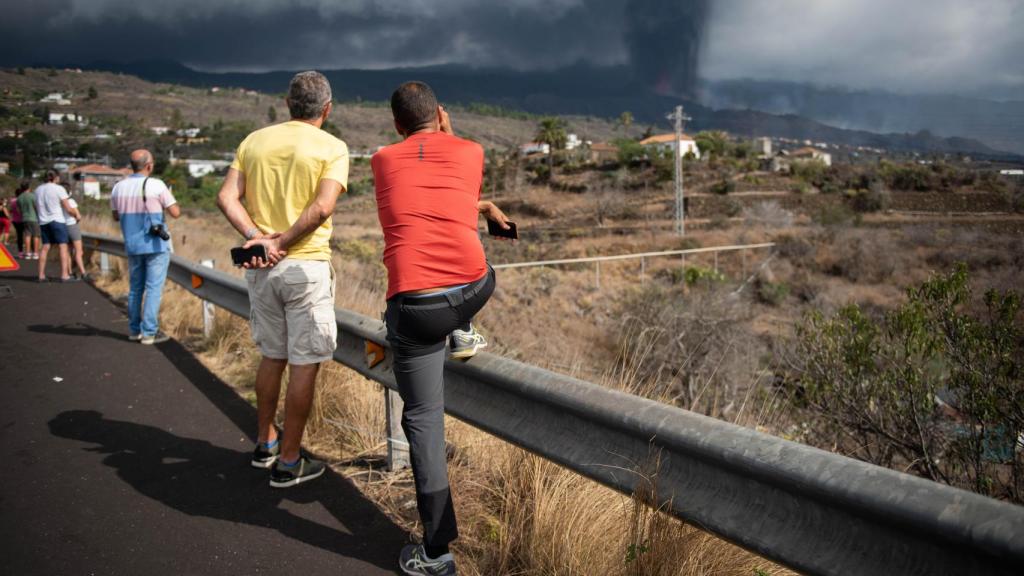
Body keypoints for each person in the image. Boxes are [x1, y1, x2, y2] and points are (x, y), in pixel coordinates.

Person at [372, 81, 511, 575]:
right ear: (441, 115)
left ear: (397, 125)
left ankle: (437, 553)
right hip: (473, 290)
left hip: (416, 308)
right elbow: (454, 189)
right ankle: (463, 332)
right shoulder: (470, 151)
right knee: (477, 268)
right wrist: (449, 133)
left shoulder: (382, 159)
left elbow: (424, 181)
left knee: (424, 419)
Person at [216, 71, 347, 488]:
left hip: (262, 269)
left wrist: (258, 238)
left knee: (272, 356)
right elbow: (323, 207)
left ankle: (265, 443)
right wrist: (283, 241)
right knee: (304, 363)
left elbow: (226, 196)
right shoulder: (332, 147)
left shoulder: (254, 141)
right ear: (327, 109)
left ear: (288, 104)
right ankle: (290, 462)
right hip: (305, 266)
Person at [110, 150, 181, 344]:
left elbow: (115, 215)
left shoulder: (118, 187)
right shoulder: (156, 185)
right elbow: (176, 212)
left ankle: (134, 330)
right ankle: (149, 332)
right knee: (153, 289)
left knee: (135, 289)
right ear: (149, 165)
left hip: (132, 245)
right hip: (155, 245)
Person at [34, 170, 80, 282]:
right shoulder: (59, 189)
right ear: (55, 177)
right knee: (63, 247)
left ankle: (41, 275)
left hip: (43, 221)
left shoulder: (38, 190)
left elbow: (36, 207)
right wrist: (76, 215)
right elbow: (68, 208)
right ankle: (64, 275)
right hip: (57, 220)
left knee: (45, 247)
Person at [63, 194, 88, 279]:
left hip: (63, 227)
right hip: (72, 226)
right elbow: (78, 216)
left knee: (67, 252)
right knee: (79, 252)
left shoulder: (59, 202)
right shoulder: (71, 201)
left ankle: (69, 272)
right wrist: (77, 218)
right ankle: (83, 272)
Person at [16, 180, 40, 260]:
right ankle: (35, 253)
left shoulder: (19, 197)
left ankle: (27, 253)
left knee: (27, 236)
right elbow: (36, 207)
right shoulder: (32, 196)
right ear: (29, 187)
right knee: (36, 235)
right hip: (34, 218)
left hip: (24, 218)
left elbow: (18, 210)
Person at [9, 182, 27, 257]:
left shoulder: (12, 200)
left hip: (15, 220)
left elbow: (11, 210)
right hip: (22, 219)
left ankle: (20, 252)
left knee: (19, 236)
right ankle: (28, 251)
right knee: (27, 235)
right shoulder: (21, 200)